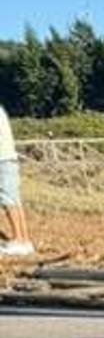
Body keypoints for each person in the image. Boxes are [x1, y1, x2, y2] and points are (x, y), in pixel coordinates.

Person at [0, 104, 34, 257]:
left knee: (8, 200)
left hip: (2, 160)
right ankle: (24, 239)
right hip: (8, 158)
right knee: (14, 200)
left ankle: (18, 239)